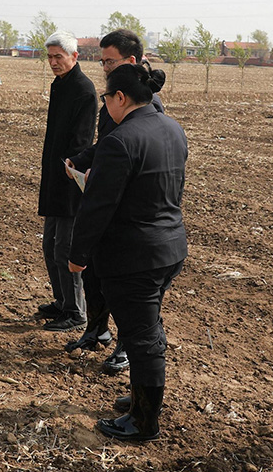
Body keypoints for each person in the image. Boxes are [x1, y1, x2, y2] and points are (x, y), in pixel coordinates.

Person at [68, 63, 187, 441]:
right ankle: (141, 399)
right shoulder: (173, 128)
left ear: (120, 97)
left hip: (134, 256)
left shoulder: (120, 141)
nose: (105, 105)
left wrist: (78, 255)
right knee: (147, 329)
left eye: (106, 98)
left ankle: (144, 421)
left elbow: (97, 206)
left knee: (141, 336)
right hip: (170, 247)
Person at [65, 29, 166, 376]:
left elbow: (129, 153)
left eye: (109, 61)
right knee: (96, 274)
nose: (104, 67)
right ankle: (97, 329)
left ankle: (126, 345)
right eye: (103, 61)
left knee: (128, 290)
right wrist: (81, 159)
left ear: (130, 61)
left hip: (129, 216)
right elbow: (106, 143)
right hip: (109, 196)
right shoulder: (114, 99)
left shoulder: (145, 104)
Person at [35, 31, 97, 332]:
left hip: (70, 180)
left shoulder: (84, 90)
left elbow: (82, 141)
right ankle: (62, 302)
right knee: (49, 246)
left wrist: (70, 167)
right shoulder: (60, 85)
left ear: (75, 56)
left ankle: (75, 312)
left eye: (58, 56)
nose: (53, 62)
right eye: (49, 57)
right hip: (54, 178)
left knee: (65, 249)